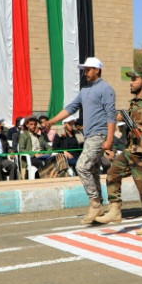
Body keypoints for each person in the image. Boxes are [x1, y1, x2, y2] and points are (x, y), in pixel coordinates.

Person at [46, 57, 116, 225]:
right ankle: (98, 204)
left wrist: (110, 139)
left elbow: (111, 115)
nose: (85, 73)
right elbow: (70, 108)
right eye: (84, 70)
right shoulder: (85, 91)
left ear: (97, 70)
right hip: (89, 135)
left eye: (88, 69)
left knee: (81, 166)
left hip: (99, 135)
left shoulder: (106, 89)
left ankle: (95, 203)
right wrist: (52, 121)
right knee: (91, 170)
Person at [96, 71, 142, 235]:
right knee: (112, 173)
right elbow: (124, 118)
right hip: (130, 150)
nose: (131, 82)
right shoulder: (134, 103)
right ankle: (115, 209)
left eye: (135, 79)